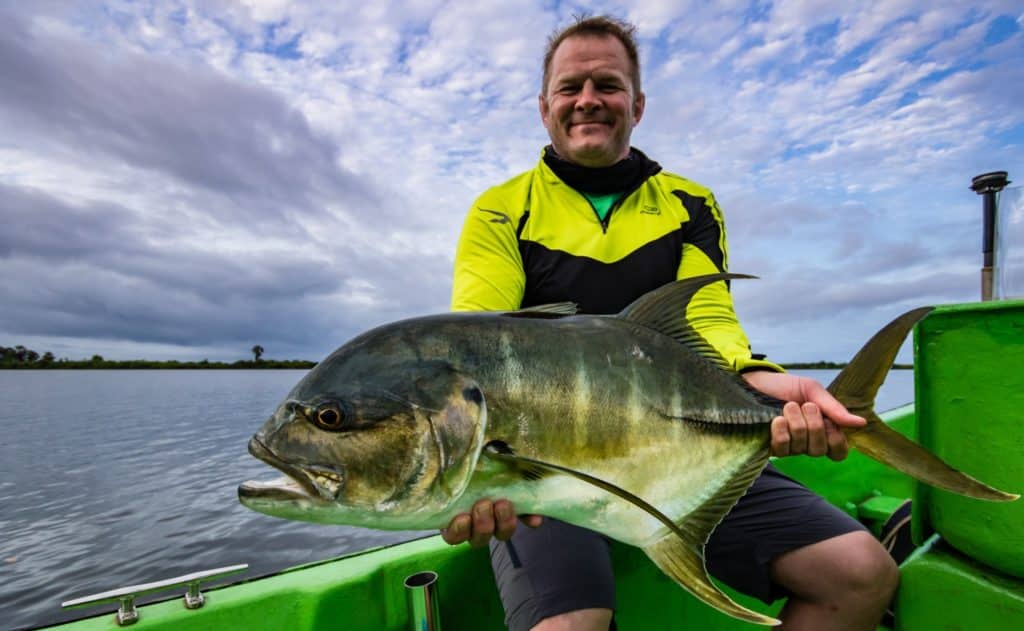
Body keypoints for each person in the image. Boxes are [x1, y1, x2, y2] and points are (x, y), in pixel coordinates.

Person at [446, 15, 898, 631]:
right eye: (570, 87)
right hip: (545, 462)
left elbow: (709, 322)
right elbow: (481, 339)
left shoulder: (690, 203)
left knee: (860, 572)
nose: (588, 101)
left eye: (607, 85)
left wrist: (756, 383)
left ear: (637, 103)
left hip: (684, 447)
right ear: (544, 106)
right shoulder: (501, 208)